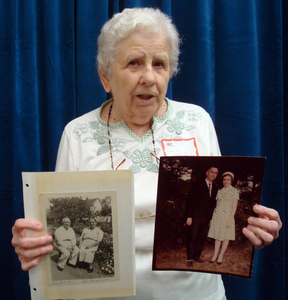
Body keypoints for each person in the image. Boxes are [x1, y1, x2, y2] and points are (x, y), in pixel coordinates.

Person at [11, 7, 282, 300]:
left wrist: (252, 226)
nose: (149, 77)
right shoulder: (77, 134)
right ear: (105, 77)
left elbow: (216, 202)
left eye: (160, 64)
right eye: (134, 63)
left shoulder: (197, 121)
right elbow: (55, 229)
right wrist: (35, 243)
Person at [186, 166, 219, 265]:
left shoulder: (215, 188)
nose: (213, 174)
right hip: (195, 216)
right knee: (192, 237)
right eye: (211, 172)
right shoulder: (198, 185)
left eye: (216, 173)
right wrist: (189, 216)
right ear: (207, 172)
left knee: (202, 238)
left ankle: (197, 256)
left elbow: (213, 205)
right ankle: (190, 259)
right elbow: (190, 201)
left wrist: (211, 219)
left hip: (207, 218)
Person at [208, 172, 239, 264]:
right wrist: (213, 218)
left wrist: (230, 219)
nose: (226, 181)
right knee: (217, 236)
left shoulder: (234, 191)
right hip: (218, 216)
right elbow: (217, 205)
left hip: (227, 216)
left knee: (226, 237)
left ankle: (221, 255)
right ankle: (215, 255)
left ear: (231, 181)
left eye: (228, 180)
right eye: (224, 180)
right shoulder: (220, 191)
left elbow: (234, 207)